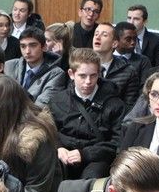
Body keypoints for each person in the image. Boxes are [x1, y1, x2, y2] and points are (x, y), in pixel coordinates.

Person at [48, 48, 125, 181]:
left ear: (99, 74)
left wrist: (85, 154)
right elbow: (48, 131)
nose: (88, 81)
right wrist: (58, 147)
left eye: (93, 75)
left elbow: (118, 142)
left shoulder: (114, 104)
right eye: (82, 76)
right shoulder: (57, 100)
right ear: (71, 74)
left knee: (90, 181)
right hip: (63, 154)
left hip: (96, 159)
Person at [2, 26, 66, 108]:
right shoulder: (9, 66)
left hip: (35, 115)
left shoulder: (56, 74)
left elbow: (41, 106)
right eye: (23, 46)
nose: (27, 51)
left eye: (33, 45)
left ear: (44, 47)